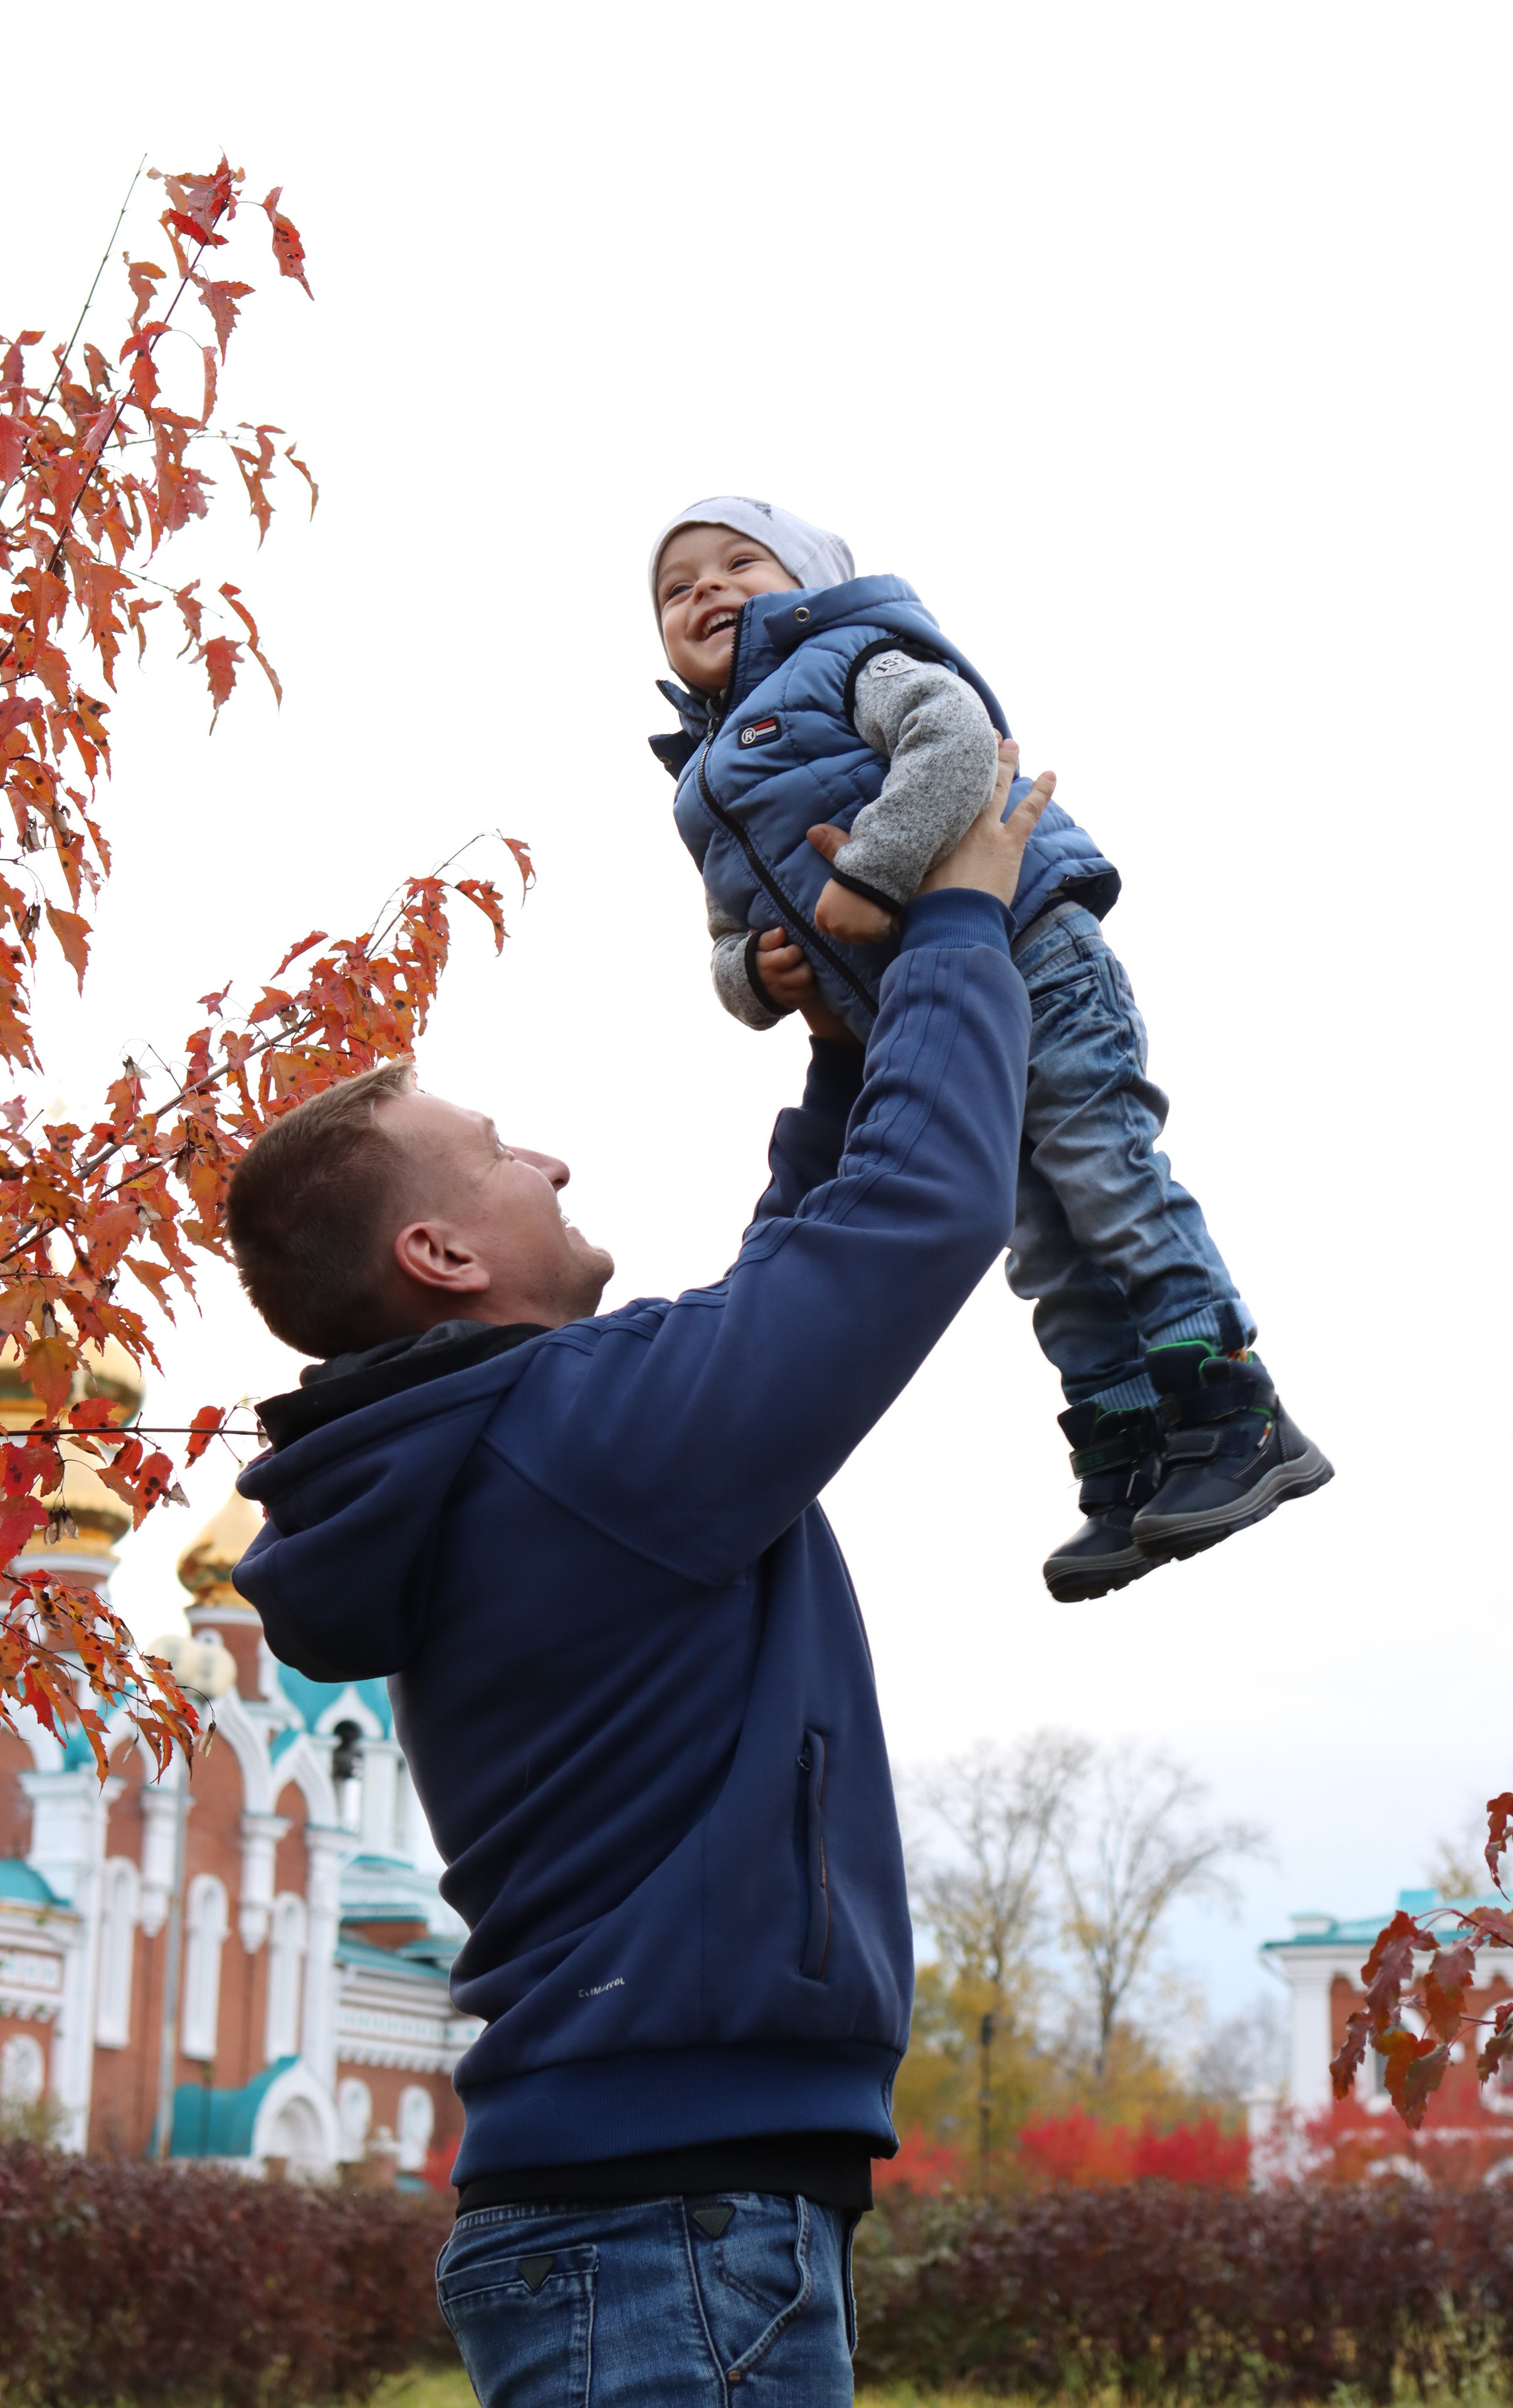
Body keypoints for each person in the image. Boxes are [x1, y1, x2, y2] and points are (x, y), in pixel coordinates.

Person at [224, 757, 1046, 2406]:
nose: (556, 1162)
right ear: (441, 1258)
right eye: (498, 1151)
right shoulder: (576, 1445)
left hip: (647, 2207)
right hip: (669, 2222)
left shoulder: (519, 1450)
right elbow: (917, 1219)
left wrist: (838, 1040)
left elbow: (785, 1279)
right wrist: (960, 920)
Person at [649, 497, 1333, 1599]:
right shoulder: (698, 782)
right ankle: (1128, 1453)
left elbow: (958, 741)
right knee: (1040, 1243)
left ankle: (1232, 1410)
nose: (706, 591)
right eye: (677, 589)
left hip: (1026, 949)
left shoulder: (848, 656)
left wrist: (872, 873)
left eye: (739, 564)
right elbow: (726, 936)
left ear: (811, 582)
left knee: (1103, 1171)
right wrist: (755, 979)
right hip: (931, 1025)